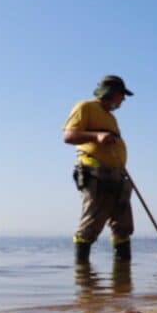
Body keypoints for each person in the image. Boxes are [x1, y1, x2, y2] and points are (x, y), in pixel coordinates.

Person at [63, 75, 134, 262]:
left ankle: (122, 281)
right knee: (91, 225)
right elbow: (69, 136)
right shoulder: (85, 107)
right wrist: (96, 136)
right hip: (95, 175)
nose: (123, 100)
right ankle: (83, 278)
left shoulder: (110, 117)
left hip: (118, 175)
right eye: (122, 95)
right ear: (111, 93)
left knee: (123, 226)